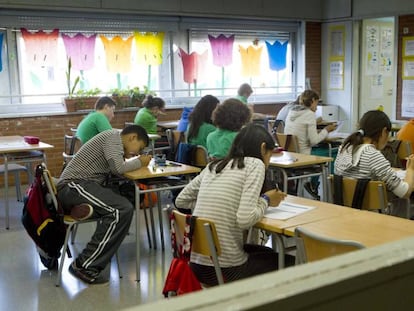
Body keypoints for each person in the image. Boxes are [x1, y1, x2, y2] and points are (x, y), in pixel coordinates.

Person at [175, 123, 287, 286]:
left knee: (266, 253)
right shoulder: (256, 165)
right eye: (269, 156)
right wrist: (266, 200)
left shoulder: (214, 165)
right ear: (263, 148)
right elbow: (245, 219)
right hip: (227, 270)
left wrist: (217, 202)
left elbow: (181, 200)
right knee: (289, 262)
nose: (268, 162)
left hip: (195, 265)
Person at [56, 125, 152, 284]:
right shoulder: (113, 137)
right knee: (121, 210)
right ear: (132, 137)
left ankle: (87, 209)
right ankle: (84, 265)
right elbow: (118, 168)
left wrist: (133, 160)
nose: (137, 153)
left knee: (125, 202)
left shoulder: (115, 142)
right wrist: (139, 162)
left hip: (85, 186)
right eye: (139, 147)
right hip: (73, 186)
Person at [335, 110, 414, 200]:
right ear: (384, 132)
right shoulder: (373, 155)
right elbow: (405, 193)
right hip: (370, 212)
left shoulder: (344, 148)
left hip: (343, 209)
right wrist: (411, 169)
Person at [284, 90, 336, 198]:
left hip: (290, 155)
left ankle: (311, 185)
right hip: (304, 157)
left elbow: (300, 131)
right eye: (317, 103)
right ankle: (316, 186)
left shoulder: (292, 111)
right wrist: (326, 130)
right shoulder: (309, 114)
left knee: (322, 151)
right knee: (333, 152)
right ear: (312, 101)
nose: (317, 108)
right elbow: (314, 141)